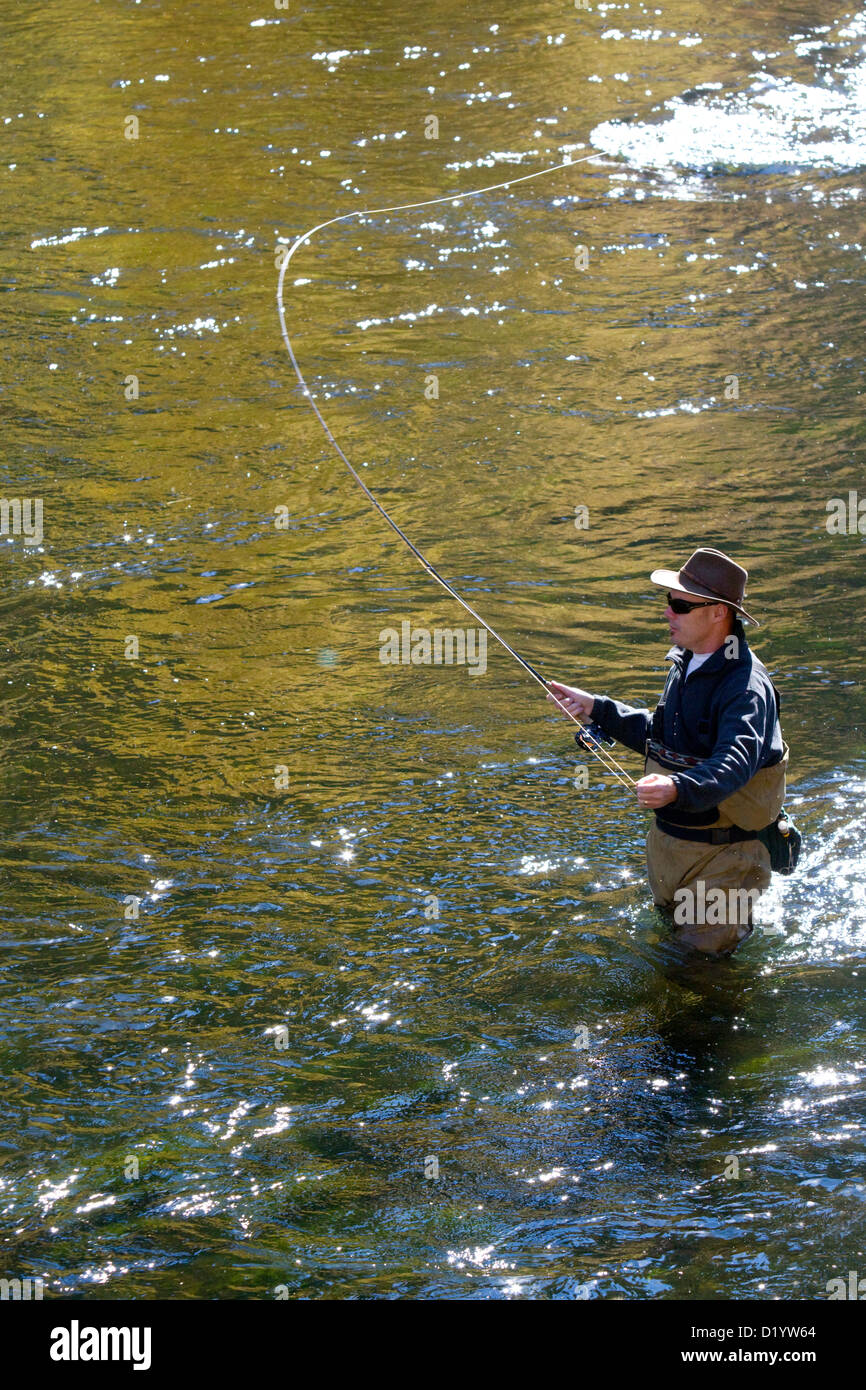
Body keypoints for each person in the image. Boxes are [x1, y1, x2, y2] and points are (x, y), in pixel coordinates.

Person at [547, 548, 788, 955]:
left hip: (726, 860)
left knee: (699, 975)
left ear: (719, 613)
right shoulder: (688, 663)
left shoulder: (745, 687)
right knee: (670, 955)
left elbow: (735, 763)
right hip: (671, 850)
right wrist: (598, 709)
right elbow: (663, 735)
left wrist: (676, 786)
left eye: (680, 604)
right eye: (668, 602)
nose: (668, 613)